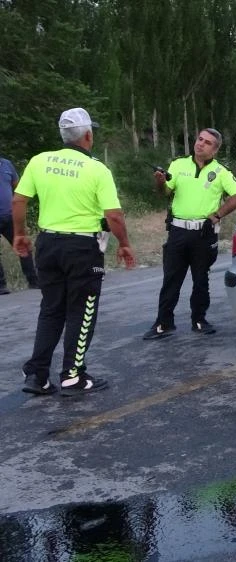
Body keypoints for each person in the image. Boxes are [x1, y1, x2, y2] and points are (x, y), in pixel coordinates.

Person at [12, 107, 136, 395]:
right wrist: (125, 244)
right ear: (88, 135)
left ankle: (37, 375)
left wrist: (20, 234)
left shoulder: (40, 161)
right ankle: (73, 375)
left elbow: (19, 201)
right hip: (82, 247)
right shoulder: (96, 169)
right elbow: (114, 216)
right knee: (83, 309)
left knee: (51, 308)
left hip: (47, 244)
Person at [142, 128, 236, 340]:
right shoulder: (178, 164)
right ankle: (163, 322)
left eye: (207, 142)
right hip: (178, 231)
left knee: (200, 279)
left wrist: (217, 215)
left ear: (215, 149)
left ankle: (199, 320)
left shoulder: (221, 171)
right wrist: (160, 182)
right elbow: (165, 193)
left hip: (203, 232)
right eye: (199, 139)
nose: (200, 144)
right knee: (171, 278)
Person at [1, 154, 39, 294]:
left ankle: (34, 280)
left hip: (10, 215)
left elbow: (18, 187)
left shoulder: (6, 165)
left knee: (23, 246)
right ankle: (1, 286)